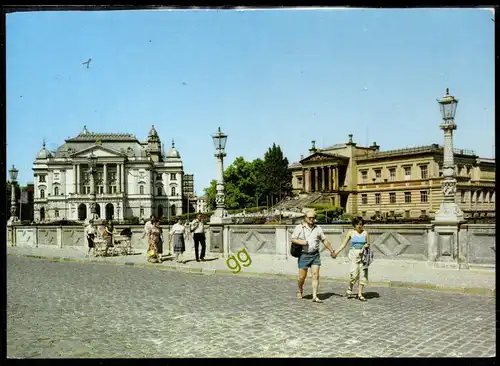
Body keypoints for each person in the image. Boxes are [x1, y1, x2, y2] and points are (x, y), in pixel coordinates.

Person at [290, 209, 336, 303]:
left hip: (315, 255)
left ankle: (315, 296)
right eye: (309, 217)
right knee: (302, 277)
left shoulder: (318, 228)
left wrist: (331, 250)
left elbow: (325, 240)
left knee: (315, 275)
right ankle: (300, 289)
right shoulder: (299, 227)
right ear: (305, 218)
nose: (311, 219)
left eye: (313, 217)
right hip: (304, 255)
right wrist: (301, 242)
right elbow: (293, 239)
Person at [334, 216, 371, 301]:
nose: (359, 226)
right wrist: (336, 252)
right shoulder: (351, 233)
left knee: (363, 275)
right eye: (357, 224)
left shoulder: (365, 233)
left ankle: (360, 294)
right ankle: (350, 288)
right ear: (354, 225)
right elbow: (343, 244)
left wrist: (366, 245)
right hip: (353, 255)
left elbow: (368, 244)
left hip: (363, 256)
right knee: (354, 274)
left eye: (361, 224)